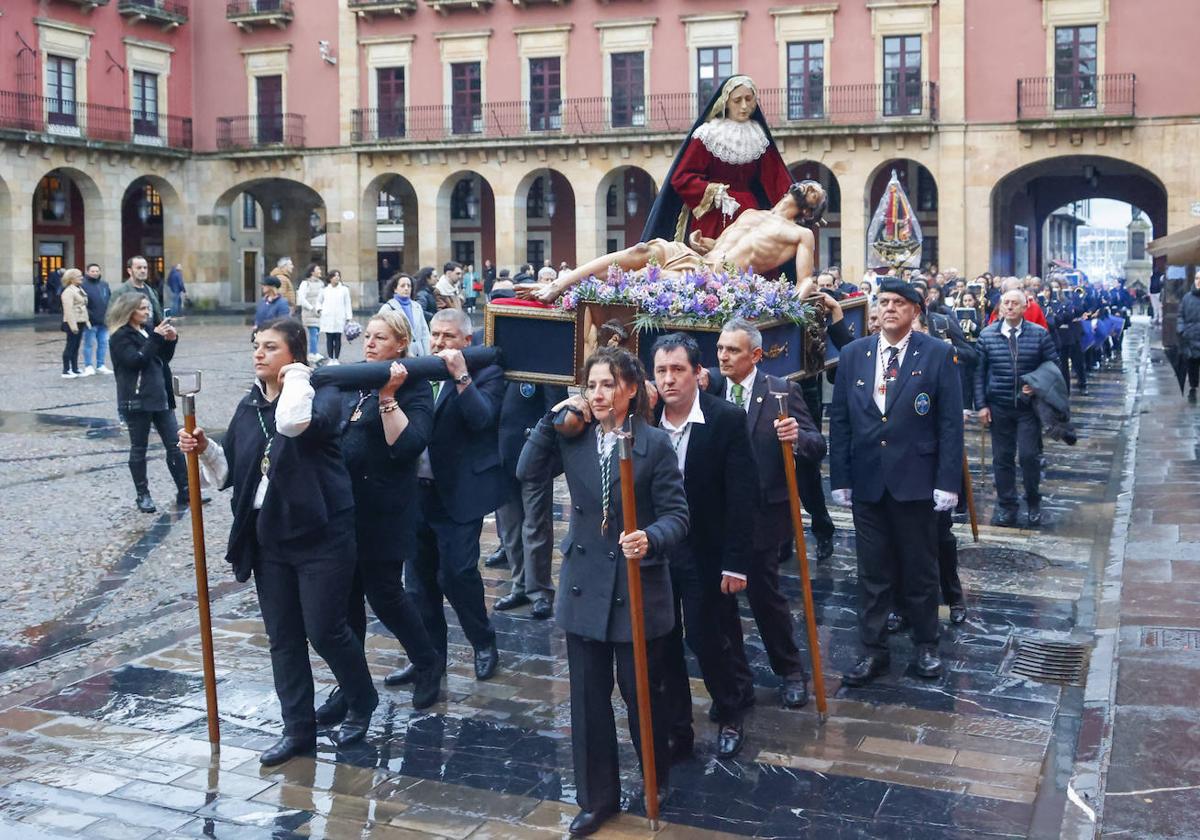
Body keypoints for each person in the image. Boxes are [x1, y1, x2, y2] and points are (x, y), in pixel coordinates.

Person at [178, 318, 378, 765]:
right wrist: (204, 446)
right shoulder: (248, 407)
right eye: (256, 346)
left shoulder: (321, 395)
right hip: (269, 538)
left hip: (322, 534)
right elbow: (231, 473)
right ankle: (298, 730)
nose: (259, 353)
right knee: (283, 638)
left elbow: (292, 425)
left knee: (325, 630)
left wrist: (298, 378)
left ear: (295, 354)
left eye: (270, 347)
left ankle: (361, 699)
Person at [517, 346, 687, 837]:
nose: (597, 394)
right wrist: (550, 421)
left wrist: (650, 537)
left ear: (630, 389)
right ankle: (597, 798)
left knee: (641, 696)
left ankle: (656, 778)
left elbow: (679, 516)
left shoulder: (652, 444)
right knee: (588, 701)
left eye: (607, 384)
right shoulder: (574, 437)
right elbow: (527, 472)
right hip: (584, 586)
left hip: (638, 585)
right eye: (590, 385)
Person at [829, 277, 963, 686]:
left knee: (920, 567)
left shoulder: (937, 354)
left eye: (898, 303)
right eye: (883, 301)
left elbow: (949, 424)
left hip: (916, 481)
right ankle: (873, 651)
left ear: (914, 311)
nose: (888, 309)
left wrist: (947, 482)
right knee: (872, 571)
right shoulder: (854, 354)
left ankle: (926, 645)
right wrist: (841, 477)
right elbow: (841, 420)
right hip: (868, 480)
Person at [315, 310, 443, 726]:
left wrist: (389, 396)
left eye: (379, 338)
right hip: (344, 510)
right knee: (344, 598)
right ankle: (351, 686)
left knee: (385, 594)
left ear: (400, 345)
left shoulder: (414, 387)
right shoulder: (356, 384)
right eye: (367, 336)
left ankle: (427, 663)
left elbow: (408, 445)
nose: (369, 343)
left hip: (385, 511)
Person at [705, 318, 825, 709]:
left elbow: (816, 444)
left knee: (764, 597)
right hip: (716, 513)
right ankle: (736, 678)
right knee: (717, 604)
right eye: (721, 348)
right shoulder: (709, 388)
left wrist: (798, 437)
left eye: (733, 350)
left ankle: (790, 670)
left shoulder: (780, 391)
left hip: (762, 514)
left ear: (755, 355)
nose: (723, 356)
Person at [650, 333, 758, 761]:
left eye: (678, 370)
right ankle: (679, 727)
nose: (669, 380)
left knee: (705, 635)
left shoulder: (724, 419)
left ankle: (731, 711)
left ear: (698, 373)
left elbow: (742, 496)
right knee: (664, 641)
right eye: (661, 371)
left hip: (705, 551)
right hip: (658, 551)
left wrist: (735, 562)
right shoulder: (645, 418)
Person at [389, 308, 503, 687]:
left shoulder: (487, 371)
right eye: (435, 336)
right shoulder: (418, 371)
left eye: (448, 337)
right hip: (416, 495)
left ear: (466, 341)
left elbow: (481, 418)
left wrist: (461, 376)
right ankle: (427, 658)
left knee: (456, 574)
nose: (438, 344)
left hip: (458, 494)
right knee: (418, 584)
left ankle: (482, 640)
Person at [532, 181, 826, 304]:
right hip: (698, 258)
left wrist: (790, 305)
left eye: (818, 193)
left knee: (639, 278)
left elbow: (805, 281)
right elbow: (725, 244)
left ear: (810, 211)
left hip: (717, 278)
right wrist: (703, 243)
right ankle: (561, 283)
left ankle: (565, 290)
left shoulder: (801, 235)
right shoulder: (751, 213)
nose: (814, 186)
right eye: (812, 185)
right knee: (641, 250)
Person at [642, 75, 791, 243]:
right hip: (715, 214)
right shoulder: (708, 135)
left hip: (750, 214)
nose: (744, 106)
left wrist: (800, 198)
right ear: (725, 102)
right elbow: (682, 178)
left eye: (749, 99)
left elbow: (777, 179)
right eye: (737, 100)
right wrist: (714, 192)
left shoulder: (759, 137)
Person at [976, 289, 1060, 527]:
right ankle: (1007, 506)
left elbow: (1053, 365)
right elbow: (979, 373)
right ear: (1000, 307)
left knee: (1028, 456)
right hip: (999, 405)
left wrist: (1036, 385)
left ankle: (1033, 500)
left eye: (1015, 303)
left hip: (1027, 407)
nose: (1010, 307)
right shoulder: (987, 335)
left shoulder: (1039, 334)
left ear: (1025, 308)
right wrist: (981, 405)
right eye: (1006, 303)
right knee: (1002, 458)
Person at [492, 379, 567, 620]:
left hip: (533, 454)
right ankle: (520, 586)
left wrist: (548, 454)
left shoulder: (537, 362)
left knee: (536, 525)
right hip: (500, 456)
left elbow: (555, 408)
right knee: (511, 528)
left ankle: (540, 592)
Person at [107, 291, 189, 513]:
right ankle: (142, 495)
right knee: (139, 448)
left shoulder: (146, 330)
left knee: (175, 445)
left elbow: (161, 358)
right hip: (137, 399)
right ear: (129, 311)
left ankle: (185, 490)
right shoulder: (120, 336)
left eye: (147, 308)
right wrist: (155, 337)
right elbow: (135, 361)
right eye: (142, 308)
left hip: (160, 395)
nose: (147, 312)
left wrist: (171, 341)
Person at [379, 273, 432, 356]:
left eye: (409, 286)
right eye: (403, 286)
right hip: (401, 354)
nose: (406, 288)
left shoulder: (417, 306)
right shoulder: (388, 308)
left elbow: (425, 333)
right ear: (395, 289)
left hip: (420, 355)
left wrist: (428, 354)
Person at [81, 263, 112, 376]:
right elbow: (82, 303)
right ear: (87, 272)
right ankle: (88, 365)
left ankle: (101, 365)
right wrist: (88, 315)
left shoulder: (104, 284)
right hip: (90, 320)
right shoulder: (83, 285)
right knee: (89, 344)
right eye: (92, 271)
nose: (95, 273)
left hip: (104, 320)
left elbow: (109, 299)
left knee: (103, 343)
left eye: (97, 271)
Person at [59, 269, 89, 379]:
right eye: (78, 276)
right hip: (72, 322)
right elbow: (68, 310)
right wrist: (73, 326)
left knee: (76, 346)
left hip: (80, 320)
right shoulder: (68, 291)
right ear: (71, 279)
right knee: (70, 346)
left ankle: (75, 368)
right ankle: (66, 370)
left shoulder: (78, 289)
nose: (81, 278)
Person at [319, 269, 353, 363]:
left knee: (338, 338)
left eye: (338, 276)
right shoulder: (325, 290)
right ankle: (330, 358)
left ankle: (336, 358)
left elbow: (347, 303)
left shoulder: (344, 289)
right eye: (334, 276)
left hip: (339, 317)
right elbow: (319, 301)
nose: (337, 278)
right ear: (330, 278)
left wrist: (348, 316)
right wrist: (320, 310)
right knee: (329, 338)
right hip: (328, 317)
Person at [120, 255, 164, 327]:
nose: (143, 271)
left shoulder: (152, 291)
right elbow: (113, 319)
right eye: (139, 268)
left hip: (152, 336)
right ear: (129, 271)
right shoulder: (121, 292)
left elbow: (157, 316)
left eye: (145, 268)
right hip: (133, 336)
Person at [1179, 274, 1200, 402]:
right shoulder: (1187, 298)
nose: (1199, 281)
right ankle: (1193, 389)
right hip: (1191, 337)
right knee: (1192, 366)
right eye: (1197, 278)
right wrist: (1181, 329)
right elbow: (1180, 315)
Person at [297, 265, 325, 359]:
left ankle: (314, 352)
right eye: (318, 269)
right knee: (313, 332)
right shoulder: (305, 283)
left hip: (318, 312)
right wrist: (311, 307)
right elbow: (301, 298)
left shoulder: (321, 283)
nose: (320, 271)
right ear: (312, 272)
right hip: (309, 312)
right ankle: (313, 353)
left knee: (316, 332)